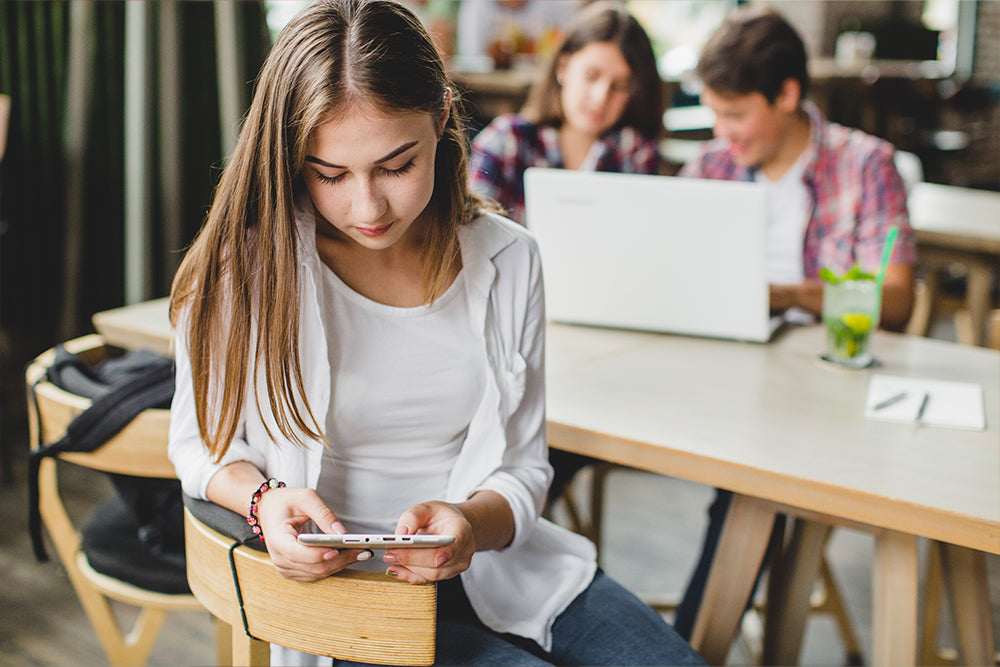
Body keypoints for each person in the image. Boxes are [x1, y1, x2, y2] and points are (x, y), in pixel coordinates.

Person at [167, 2, 704, 665]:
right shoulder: (247, 268)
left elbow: (525, 469)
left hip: (504, 571)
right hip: (351, 598)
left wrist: (472, 525)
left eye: (396, 165)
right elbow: (199, 447)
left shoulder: (510, 259)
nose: (368, 207)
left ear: (444, 114)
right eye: (330, 173)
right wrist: (263, 500)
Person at [671, 7, 917, 640]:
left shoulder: (867, 166)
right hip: (716, 377)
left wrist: (786, 295)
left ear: (786, 94)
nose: (723, 133)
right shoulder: (710, 169)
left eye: (736, 114)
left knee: (747, 490)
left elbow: (895, 302)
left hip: (815, 394)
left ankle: (692, 647)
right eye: (715, 114)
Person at [468, 0, 664, 226]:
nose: (601, 97)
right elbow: (471, 237)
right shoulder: (507, 141)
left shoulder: (635, 150)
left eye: (619, 86)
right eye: (591, 76)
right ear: (563, 68)